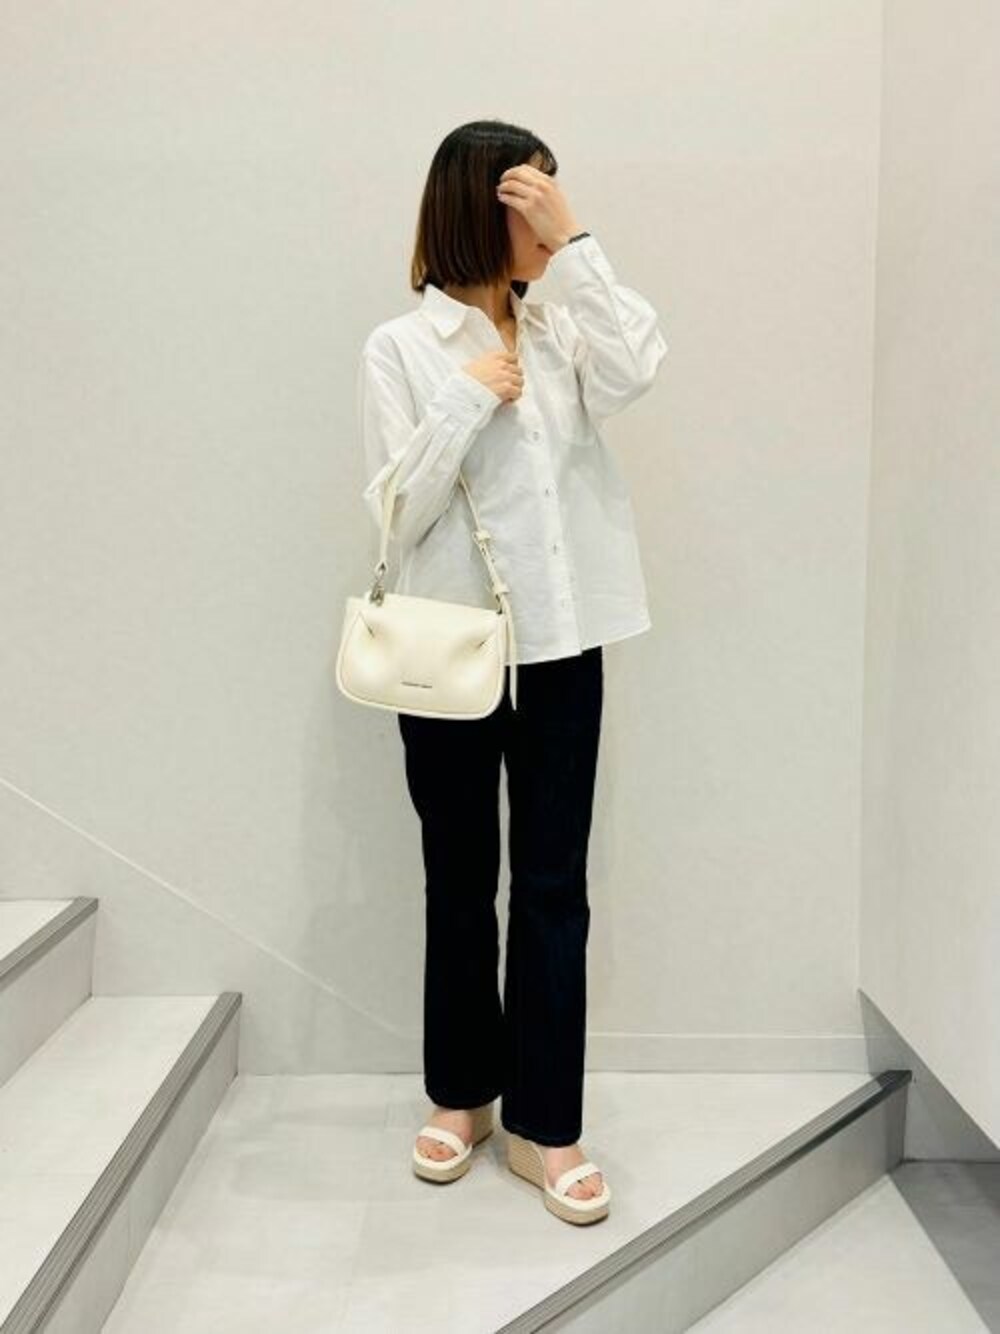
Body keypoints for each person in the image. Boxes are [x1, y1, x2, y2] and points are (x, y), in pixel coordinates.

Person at [357, 119, 667, 1224]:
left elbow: (639, 367)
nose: (544, 216)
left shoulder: (566, 326)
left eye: (552, 197)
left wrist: (576, 244)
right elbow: (397, 514)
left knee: (550, 886)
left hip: (562, 646)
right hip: (449, 652)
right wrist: (463, 397)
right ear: (478, 209)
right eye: (530, 198)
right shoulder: (400, 347)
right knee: (457, 879)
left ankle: (546, 1123)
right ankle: (461, 1096)